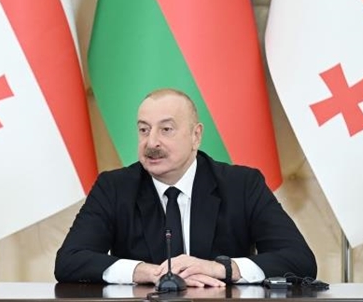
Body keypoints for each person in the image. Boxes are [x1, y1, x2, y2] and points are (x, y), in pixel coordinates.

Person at [55, 88, 315, 286]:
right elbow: (69, 260)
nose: (151, 142)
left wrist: (220, 269)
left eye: (166, 129)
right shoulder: (114, 187)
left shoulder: (242, 185)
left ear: (196, 136)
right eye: (144, 130)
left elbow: (299, 260)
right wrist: (144, 271)